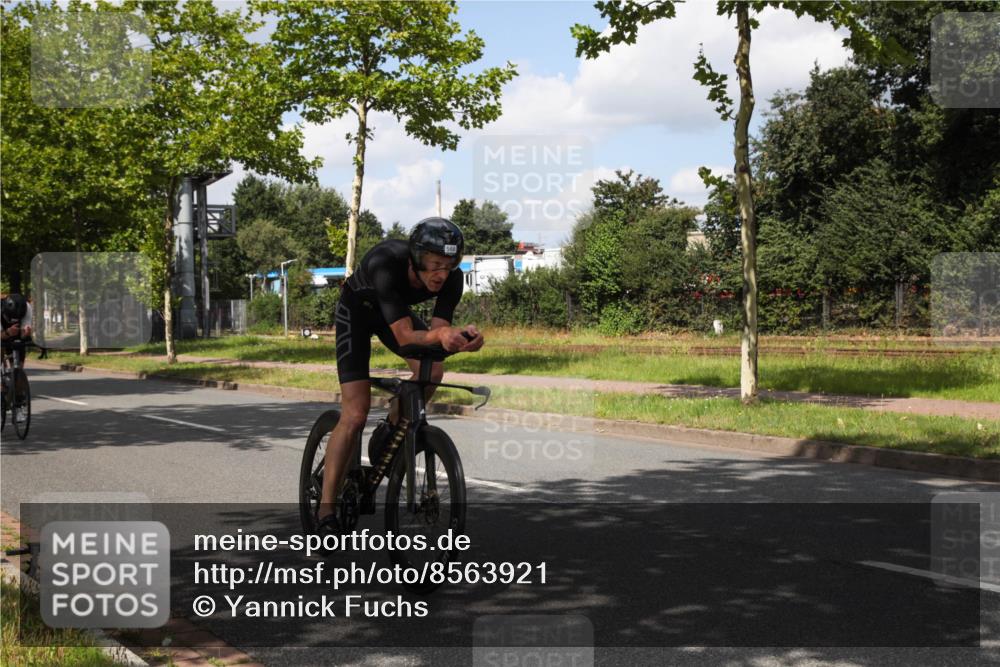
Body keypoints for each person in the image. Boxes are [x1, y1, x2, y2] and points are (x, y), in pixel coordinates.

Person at [319, 217, 484, 534]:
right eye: (435, 264)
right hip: (357, 313)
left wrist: (462, 341)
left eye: (448, 265)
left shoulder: (452, 280)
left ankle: (391, 428)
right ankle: (326, 509)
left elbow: (437, 334)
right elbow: (406, 336)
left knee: (433, 369)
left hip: (391, 315)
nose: (441, 274)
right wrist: (442, 338)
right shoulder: (387, 264)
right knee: (355, 414)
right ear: (417, 258)